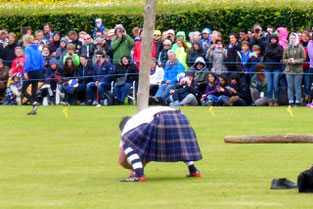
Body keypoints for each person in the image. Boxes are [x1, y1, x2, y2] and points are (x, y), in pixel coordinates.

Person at [118, 106, 202, 182]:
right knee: (177, 145)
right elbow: (150, 152)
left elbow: (121, 161)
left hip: (161, 118)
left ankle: (139, 176)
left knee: (128, 143)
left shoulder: (127, 130)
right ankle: (194, 171)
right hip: (181, 116)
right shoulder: (140, 119)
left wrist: (133, 168)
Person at [22, 35, 44, 113]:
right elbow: (42, 62)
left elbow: (27, 61)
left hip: (30, 71)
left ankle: (33, 102)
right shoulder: (38, 50)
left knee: (23, 90)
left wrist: (25, 71)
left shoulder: (27, 49)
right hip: (37, 71)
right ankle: (34, 110)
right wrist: (40, 71)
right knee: (34, 91)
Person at [283, 33, 306, 107]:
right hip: (289, 69)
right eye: (290, 38)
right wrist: (288, 61)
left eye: (293, 38)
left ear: (296, 39)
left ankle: (298, 101)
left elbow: (303, 58)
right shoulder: (287, 48)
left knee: (297, 86)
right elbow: (284, 58)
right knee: (290, 86)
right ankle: (290, 101)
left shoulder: (300, 47)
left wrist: (296, 61)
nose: (292, 40)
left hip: (298, 70)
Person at [263, 34, 283, 106]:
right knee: (269, 85)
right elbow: (267, 52)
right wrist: (275, 53)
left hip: (276, 68)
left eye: (274, 39)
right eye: (271, 39)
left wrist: (272, 53)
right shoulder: (268, 46)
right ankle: (270, 100)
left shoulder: (280, 47)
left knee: (275, 85)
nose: (272, 40)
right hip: (267, 68)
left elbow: (280, 56)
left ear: (277, 40)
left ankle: (276, 100)